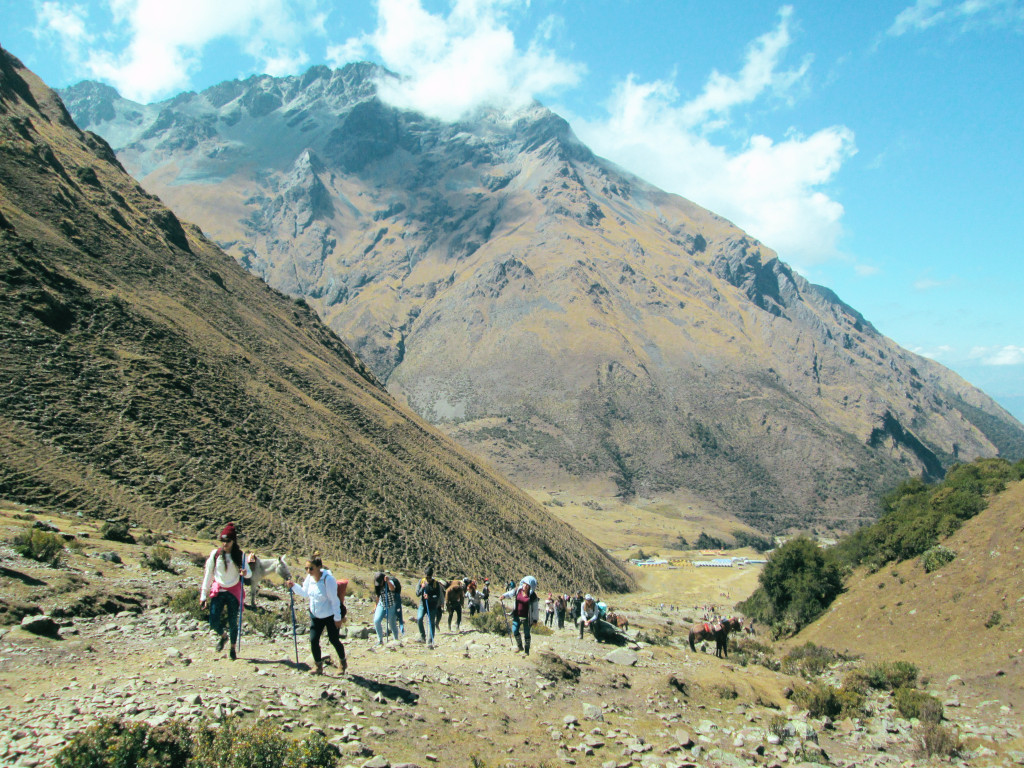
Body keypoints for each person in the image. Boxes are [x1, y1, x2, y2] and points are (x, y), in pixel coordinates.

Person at [199, 523, 254, 660]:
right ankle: (224, 636)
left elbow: (249, 575)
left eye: (227, 541)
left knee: (232, 621)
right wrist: (203, 595)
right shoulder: (215, 554)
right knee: (213, 620)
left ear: (233, 541)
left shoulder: (240, 556)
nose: (224, 544)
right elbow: (208, 574)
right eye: (222, 541)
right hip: (219, 590)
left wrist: (245, 573)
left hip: (234, 591)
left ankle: (232, 649)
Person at [286, 553, 346, 675]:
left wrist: (338, 618)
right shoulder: (310, 578)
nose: (308, 571)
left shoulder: (328, 580)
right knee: (313, 640)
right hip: (315, 614)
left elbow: (334, 600)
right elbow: (304, 592)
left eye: (311, 568)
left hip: (330, 616)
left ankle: (343, 663)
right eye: (306, 568)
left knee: (334, 640)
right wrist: (293, 586)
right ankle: (318, 666)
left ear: (319, 567)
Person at [502, 576, 539, 655]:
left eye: (527, 585)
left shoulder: (533, 596)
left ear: (530, 587)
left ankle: (526, 651)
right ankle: (520, 646)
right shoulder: (518, 590)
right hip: (516, 615)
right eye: (524, 584)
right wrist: (504, 596)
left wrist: (535, 619)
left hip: (527, 618)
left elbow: (535, 608)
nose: (524, 586)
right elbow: (510, 593)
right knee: (514, 630)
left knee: (527, 634)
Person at [416, 565, 442, 648]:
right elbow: (417, 594)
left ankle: (430, 640)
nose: (428, 579)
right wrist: (422, 588)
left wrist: (429, 597)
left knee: (431, 622)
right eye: (427, 577)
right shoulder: (421, 582)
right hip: (422, 604)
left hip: (432, 606)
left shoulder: (436, 584)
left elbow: (437, 596)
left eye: (430, 577)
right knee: (419, 619)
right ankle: (422, 636)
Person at [373, 571, 401, 647]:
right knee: (376, 620)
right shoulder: (377, 585)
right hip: (382, 605)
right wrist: (376, 606)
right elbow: (378, 595)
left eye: (381, 582)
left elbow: (392, 589)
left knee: (392, 623)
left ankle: (396, 640)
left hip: (392, 605)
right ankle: (380, 640)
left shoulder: (389, 581)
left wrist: (387, 581)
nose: (379, 585)